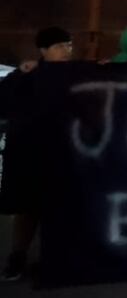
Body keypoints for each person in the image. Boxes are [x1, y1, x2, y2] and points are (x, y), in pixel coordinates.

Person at [0, 27, 72, 281]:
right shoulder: (29, 75)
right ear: (44, 50)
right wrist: (20, 73)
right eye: (60, 46)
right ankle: (18, 256)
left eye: (69, 45)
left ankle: (52, 260)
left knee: (58, 209)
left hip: (63, 155)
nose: (67, 51)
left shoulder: (75, 75)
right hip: (31, 155)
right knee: (28, 209)